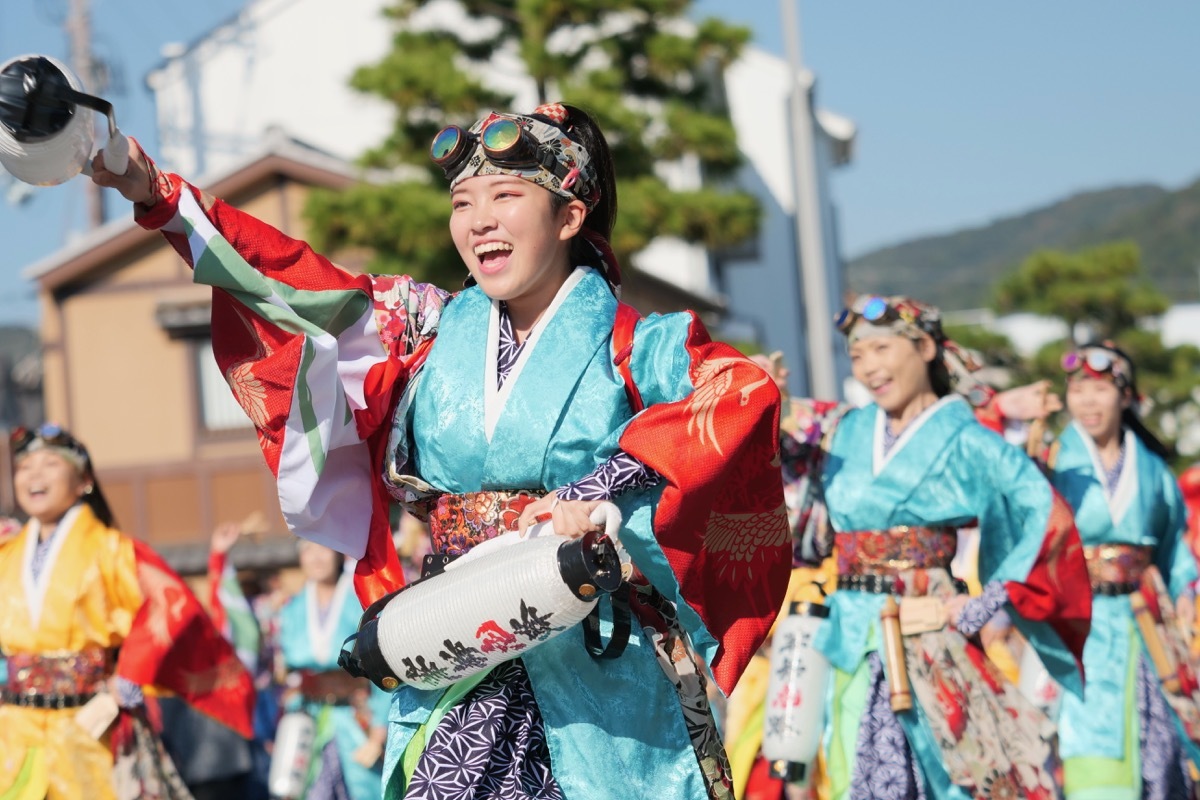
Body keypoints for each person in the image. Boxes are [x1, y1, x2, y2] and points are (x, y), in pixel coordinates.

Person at [91, 103, 789, 799]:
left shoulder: (639, 344)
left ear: (570, 217)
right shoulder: (423, 327)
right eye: (463, 202)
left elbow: (738, 389)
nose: (479, 219)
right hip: (460, 637)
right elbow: (285, 280)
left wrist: (598, 489)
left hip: (593, 656)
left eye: (506, 197)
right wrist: (151, 189)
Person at [777, 295, 1092, 800]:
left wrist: (988, 599)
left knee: (950, 776)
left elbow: (1044, 510)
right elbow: (774, 431)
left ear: (924, 346)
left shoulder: (966, 438)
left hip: (931, 627)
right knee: (845, 770)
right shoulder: (846, 428)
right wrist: (762, 392)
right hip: (850, 632)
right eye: (858, 357)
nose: (870, 367)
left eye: (882, 348)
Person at [0, 423, 255, 799]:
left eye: (50, 464)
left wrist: (130, 672)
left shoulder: (111, 550)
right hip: (14, 733)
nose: (33, 475)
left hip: (86, 729)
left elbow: (168, 603)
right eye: (23, 467)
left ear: (83, 478)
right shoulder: (7, 554)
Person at [1043, 341, 1200, 799]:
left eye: (1100, 389)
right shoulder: (1050, 462)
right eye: (1077, 389)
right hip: (1077, 628)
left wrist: (1187, 592)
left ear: (1126, 396)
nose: (1088, 401)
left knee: (1162, 750)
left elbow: (1174, 548)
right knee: (1088, 745)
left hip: (1147, 630)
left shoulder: (1153, 470)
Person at [278, 541, 389, 800]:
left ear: (338, 552)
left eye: (323, 548)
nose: (315, 557)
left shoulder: (360, 602)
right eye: (307, 550)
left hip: (356, 717)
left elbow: (379, 665)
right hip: (310, 719)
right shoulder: (291, 609)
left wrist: (378, 731)